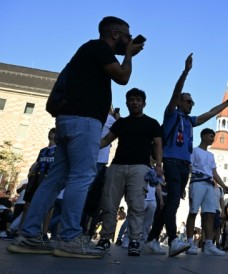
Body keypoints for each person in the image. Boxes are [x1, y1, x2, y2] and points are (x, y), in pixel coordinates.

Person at [7, 16, 143, 259]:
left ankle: (28, 234)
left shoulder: (87, 50)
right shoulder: (100, 48)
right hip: (85, 121)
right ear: (114, 34)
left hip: (68, 121)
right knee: (82, 176)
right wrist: (129, 55)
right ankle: (69, 238)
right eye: (126, 35)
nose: (129, 40)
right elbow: (123, 77)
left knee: (56, 178)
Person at [149, 53, 228, 257]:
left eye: (192, 102)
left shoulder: (190, 121)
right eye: (188, 101)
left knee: (173, 202)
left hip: (184, 166)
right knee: (173, 202)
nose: (191, 104)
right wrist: (185, 72)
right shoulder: (172, 114)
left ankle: (152, 239)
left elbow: (210, 113)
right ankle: (173, 240)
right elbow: (175, 93)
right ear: (180, 102)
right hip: (171, 161)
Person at [95, 88, 162, 257]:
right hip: (117, 165)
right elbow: (106, 140)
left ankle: (134, 240)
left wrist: (159, 165)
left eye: (138, 100)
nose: (135, 102)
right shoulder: (121, 123)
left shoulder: (152, 123)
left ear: (144, 103)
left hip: (140, 167)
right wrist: (89, 144)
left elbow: (157, 144)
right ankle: (105, 239)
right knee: (109, 203)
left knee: (137, 205)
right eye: (131, 99)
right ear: (127, 103)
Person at [185, 128, 228, 256]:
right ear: (204, 136)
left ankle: (209, 244)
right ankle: (189, 242)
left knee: (210, 213)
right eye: (211, 137)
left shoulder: (211, 155)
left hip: (210, 185)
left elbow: (214, 172)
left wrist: (223, 185)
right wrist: (184, 185)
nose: (212, 139)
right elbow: (189, 168)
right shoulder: (194, 151)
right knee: (193, 211)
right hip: (197, 182)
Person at [81, 108, 118, 238]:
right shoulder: (111, 120)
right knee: (90, 193)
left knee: (84, 190)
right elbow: (120, 129)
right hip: (100, 159)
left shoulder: (93, 115)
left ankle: (81, 226)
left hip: (88, 155)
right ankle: (83, 228)